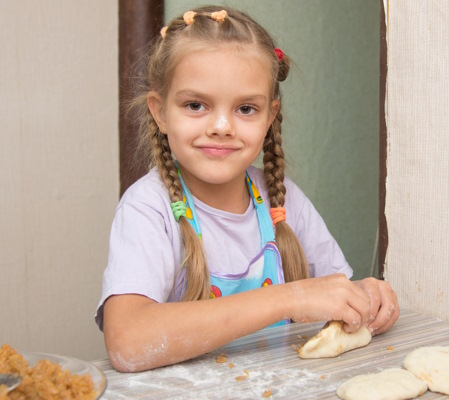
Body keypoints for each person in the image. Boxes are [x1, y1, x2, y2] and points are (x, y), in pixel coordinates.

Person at [96, 5, 399, 373]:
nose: (222, 126)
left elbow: (334, 296)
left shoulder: (282, 199)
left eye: (245, 109)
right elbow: (128, 343)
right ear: (160, 111)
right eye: (195, 105)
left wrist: (366, 298)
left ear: (270, 116)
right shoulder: (149, 208)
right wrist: (287, 298)